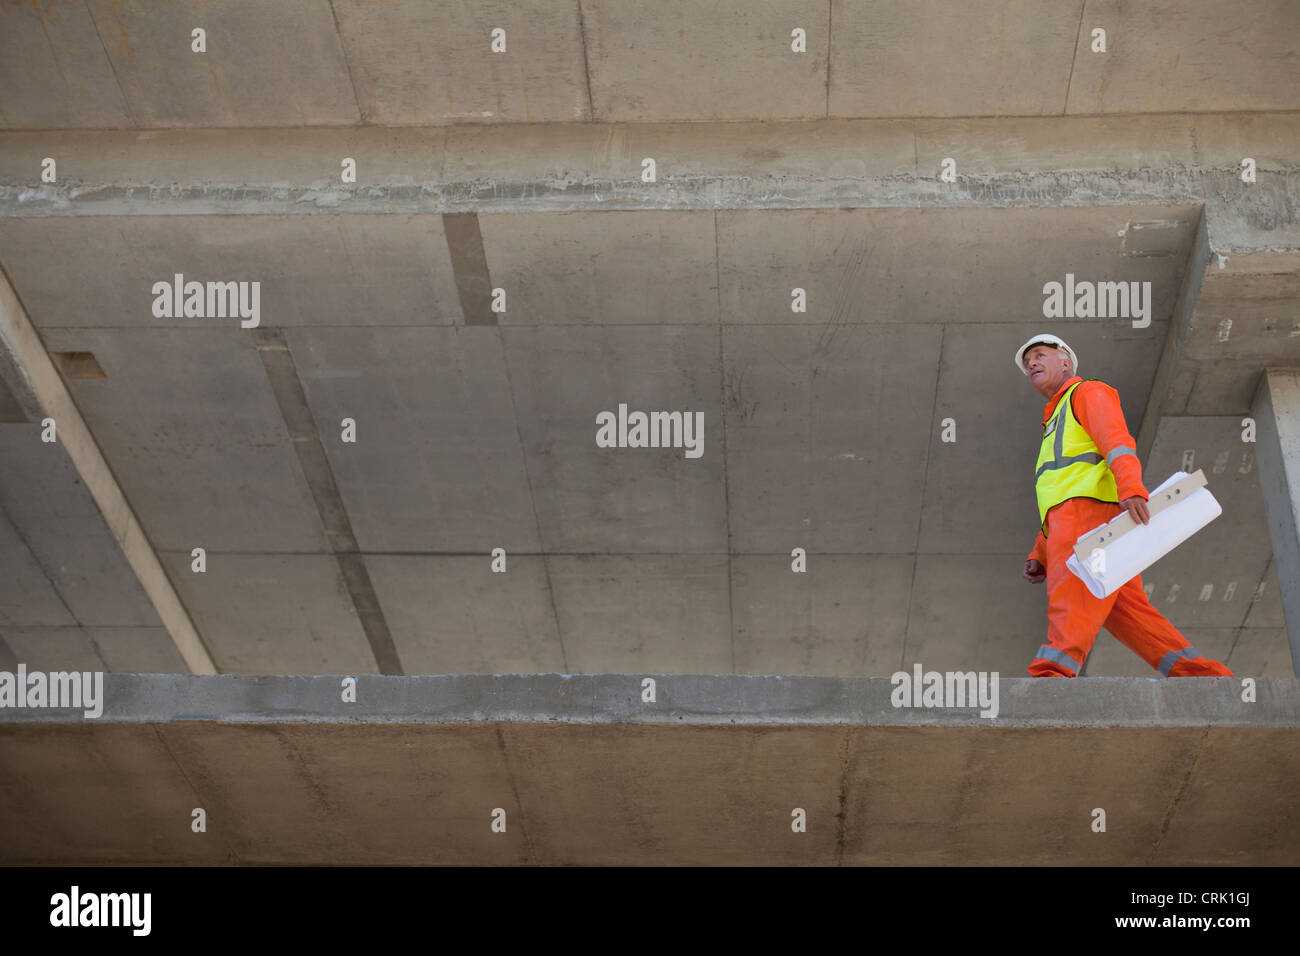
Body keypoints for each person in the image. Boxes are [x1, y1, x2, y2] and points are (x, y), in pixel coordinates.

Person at [1016, 334, 1232, 678]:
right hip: (1071, 519)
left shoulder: (1086, 393)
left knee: (1071, 592)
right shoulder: (1054, 419)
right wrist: (1039, 552)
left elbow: (1115, 441)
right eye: (1028, 363)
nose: (1032, 364)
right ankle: (1202, 677)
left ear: (1066, 361)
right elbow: (1057, 492)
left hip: (1088, 516)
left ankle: (1051, 677)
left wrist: (1132, 487)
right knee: (1131, 615)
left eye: (1040, 355)